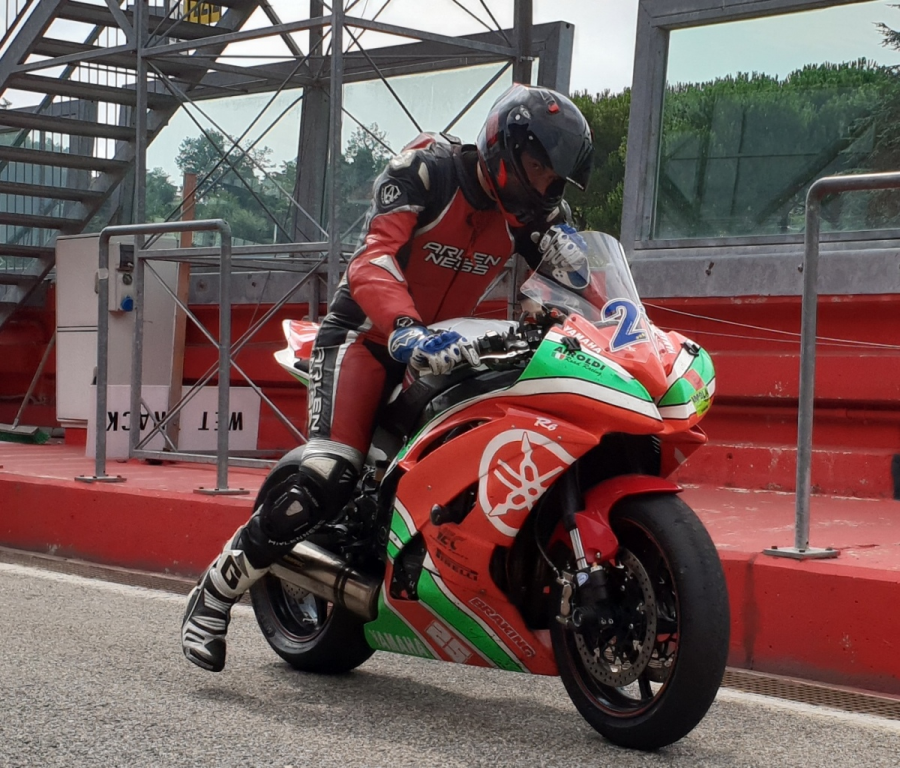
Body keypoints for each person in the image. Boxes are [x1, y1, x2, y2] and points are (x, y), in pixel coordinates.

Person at [181, 83, 595, 672]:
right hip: (368, 339)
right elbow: (372, 257)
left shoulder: (534, 215)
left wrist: (586, 299)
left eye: (554, 179)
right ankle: (216, 590)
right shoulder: (426, 171)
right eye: (537, 169)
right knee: (331, 475)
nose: (545, 186)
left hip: (449, 349)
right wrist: (404, 328)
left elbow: (568, 287)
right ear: (505, 146)